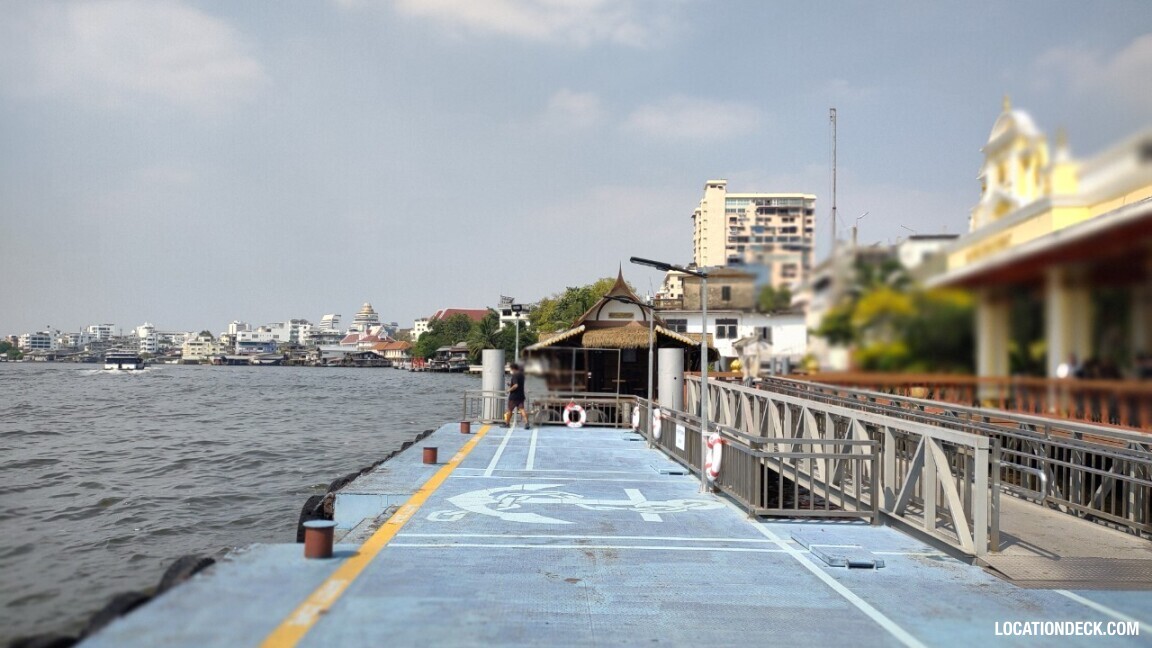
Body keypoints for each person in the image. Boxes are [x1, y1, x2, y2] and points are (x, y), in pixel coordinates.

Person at [505, 362, 529, 428]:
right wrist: (510, 384)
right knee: (522, 409)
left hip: (514, 396)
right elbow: (518, 384)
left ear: (513, 368)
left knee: (509, 410)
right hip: (521, 396)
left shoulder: (515, 375)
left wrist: (509, 390)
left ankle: (507, 424)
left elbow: (516, 385)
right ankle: (527, 423)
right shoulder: (522, 375)